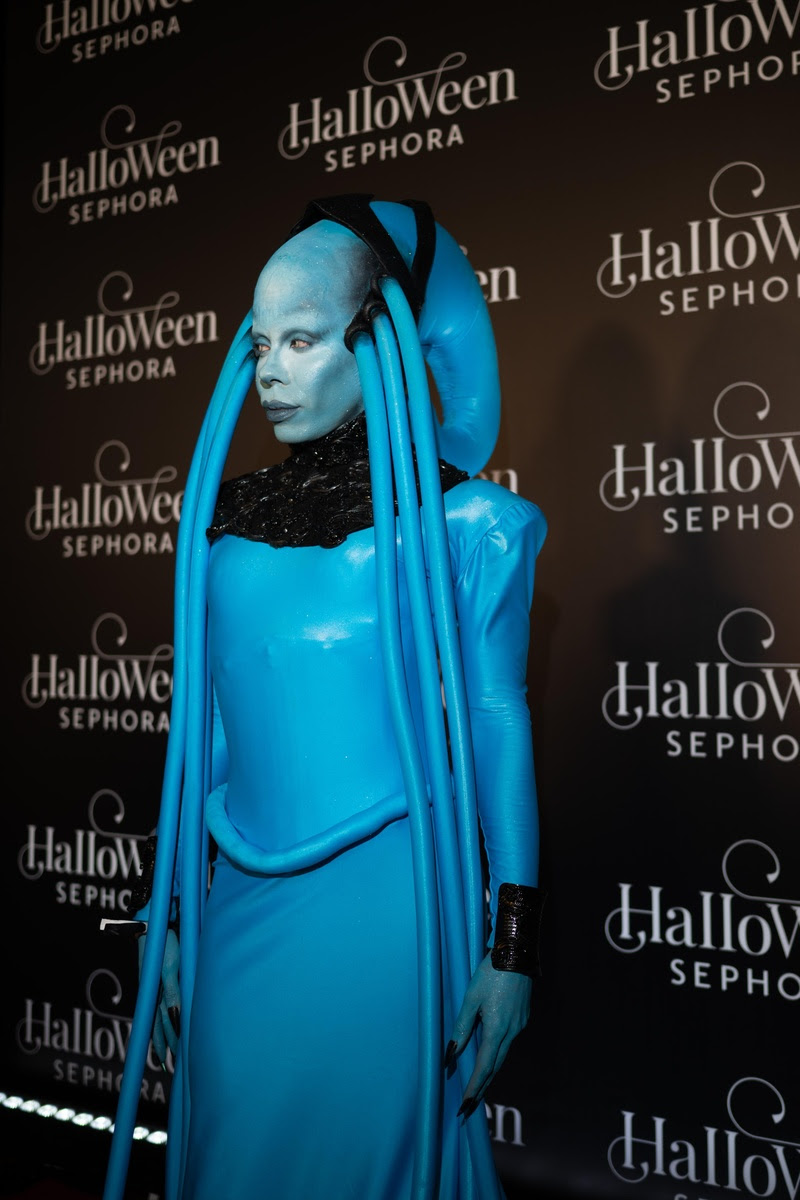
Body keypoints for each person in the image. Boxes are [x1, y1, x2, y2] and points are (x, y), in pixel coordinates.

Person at [103, 195, 547, 1200]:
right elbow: (208, 734)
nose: (270, 372)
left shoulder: (473, 525)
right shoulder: (224, 531)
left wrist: (512, 947)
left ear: (378, 337)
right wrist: (168, 915)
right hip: (238, 905)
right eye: (260, 344)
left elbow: (496, 720)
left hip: (392, 913)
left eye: (301, 340)